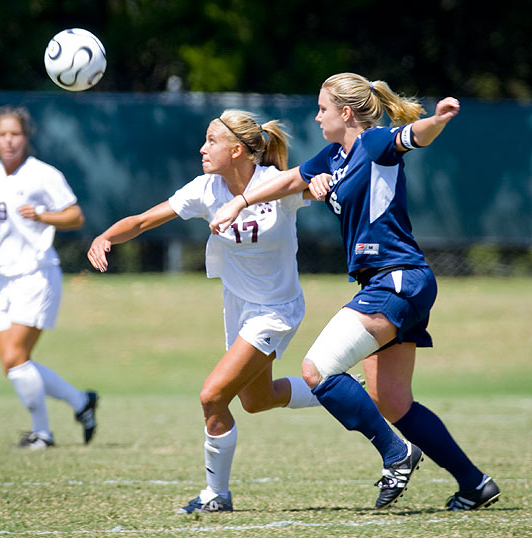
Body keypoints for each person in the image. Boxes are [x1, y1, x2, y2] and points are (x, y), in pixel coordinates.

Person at [210, 73, 500, 511]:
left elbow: (414, 135)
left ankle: (397, 454)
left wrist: (437, 119)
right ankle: (475, 484)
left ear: (346, 113)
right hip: (392, 283)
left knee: (317, 369)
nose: (317, 116)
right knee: (392, 401)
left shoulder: (374, 142)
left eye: (323, 109)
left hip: (396, 278)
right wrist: (240, 202)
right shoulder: (333, 156)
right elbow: (289, 180)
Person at [88, 109, 327, 514]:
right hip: (238, 309)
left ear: (236, 150)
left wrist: (319, 184)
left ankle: (216, 496)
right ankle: (339, 389)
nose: (203, 147)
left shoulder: (273, 185)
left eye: (212, 140)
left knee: (213, 396)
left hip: (276, 310)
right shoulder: (206, 189)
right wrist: (107, 236)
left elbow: (316, 182)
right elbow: (145, 220)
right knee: (257, 399)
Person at [0, 105, 98, 450]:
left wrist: (42, 214)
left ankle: (43, 433)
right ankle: (80, 401)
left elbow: (76, 216)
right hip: (3, 279)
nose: (9, 141)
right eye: (2, 134)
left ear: (26, 138)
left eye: (16, 134)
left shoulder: (42, 174)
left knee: (14, 358)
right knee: (14, 364)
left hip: (37, 273)